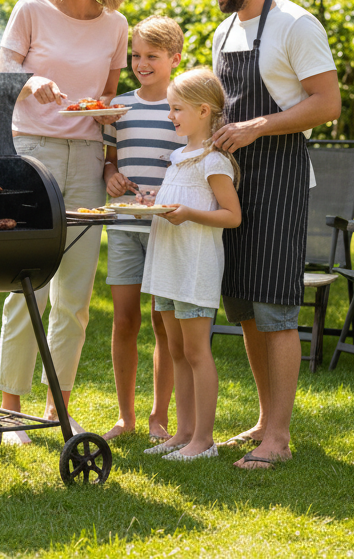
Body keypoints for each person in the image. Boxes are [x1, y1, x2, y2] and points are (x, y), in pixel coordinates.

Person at [200, 0, 341, 470]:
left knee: (276, 307)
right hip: (232, 181)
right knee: (245, 307)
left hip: (280, 179)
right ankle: (263, 421)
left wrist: (256, 126)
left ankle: (278, 439)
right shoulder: (224, 31)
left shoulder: (295, 24)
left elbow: (326, 103)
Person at [0, 0, 130, 443]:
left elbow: (109, 99)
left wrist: (108, 128)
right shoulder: (31, 9)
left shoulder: (115, 26)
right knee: (27, 284)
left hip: (88, 159)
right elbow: (3, 75)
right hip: (34, 153)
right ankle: (11, 411)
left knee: (74, 295)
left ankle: (58, 408)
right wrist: (32, 81)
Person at [139, 68, 241, 461]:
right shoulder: (178, 157)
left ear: (203, 110)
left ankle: (204, 440)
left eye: (177, 108)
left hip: (194, 269)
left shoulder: (213, 161)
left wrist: (189, 214)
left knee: (197, 352)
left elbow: (232, 216)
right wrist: (155, 203)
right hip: (168, 265)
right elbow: (178, 201)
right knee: (176, 351)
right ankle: (182, 433)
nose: (171, 116)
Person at [100, 15, 185, 442]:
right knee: (124, 320)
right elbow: (110, 159)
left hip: (165, 227)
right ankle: (125, 416)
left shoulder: (183, 107)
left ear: (175, 58)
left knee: (162, 321)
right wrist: (110, 175)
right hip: (123, 223)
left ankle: (159, 417)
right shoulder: (119, 106)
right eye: (136, 55)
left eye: (153, 56)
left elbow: (193, 162)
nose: (142, 64)